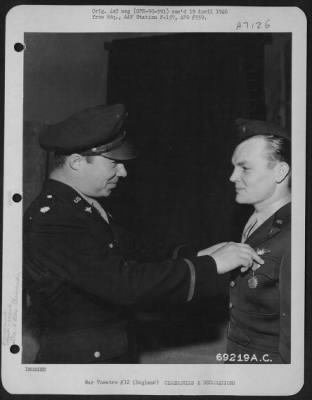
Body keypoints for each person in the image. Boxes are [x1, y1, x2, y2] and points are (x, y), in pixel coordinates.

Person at [23, 104, 263, 364]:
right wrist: (210, 266)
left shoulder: (81, 206)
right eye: (114, 163)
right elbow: (125, 285)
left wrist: (196, 254)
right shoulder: (56, 220)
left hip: (108, 354)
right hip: (81, 365)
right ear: (77, 163)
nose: (123, 172)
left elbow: (136, 251)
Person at [226, 118, 291, 363]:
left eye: (245, 168)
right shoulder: (253, 220)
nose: (232, 177)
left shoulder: (293, 235)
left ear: (280, 172)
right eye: (233, 167)